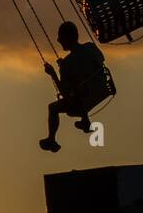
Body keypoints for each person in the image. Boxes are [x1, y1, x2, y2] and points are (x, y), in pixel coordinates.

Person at [39, 21, 110, 153]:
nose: (59, 40)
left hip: (82, 101)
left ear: (66, 39)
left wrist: (54, 74)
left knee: (53, 107)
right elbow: (100, 61)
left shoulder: (67, 63)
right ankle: (85, 120)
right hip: (102, 88)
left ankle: (51, 139)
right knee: (81, 88)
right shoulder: (90, 47)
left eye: (60, 38)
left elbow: (66, 93)